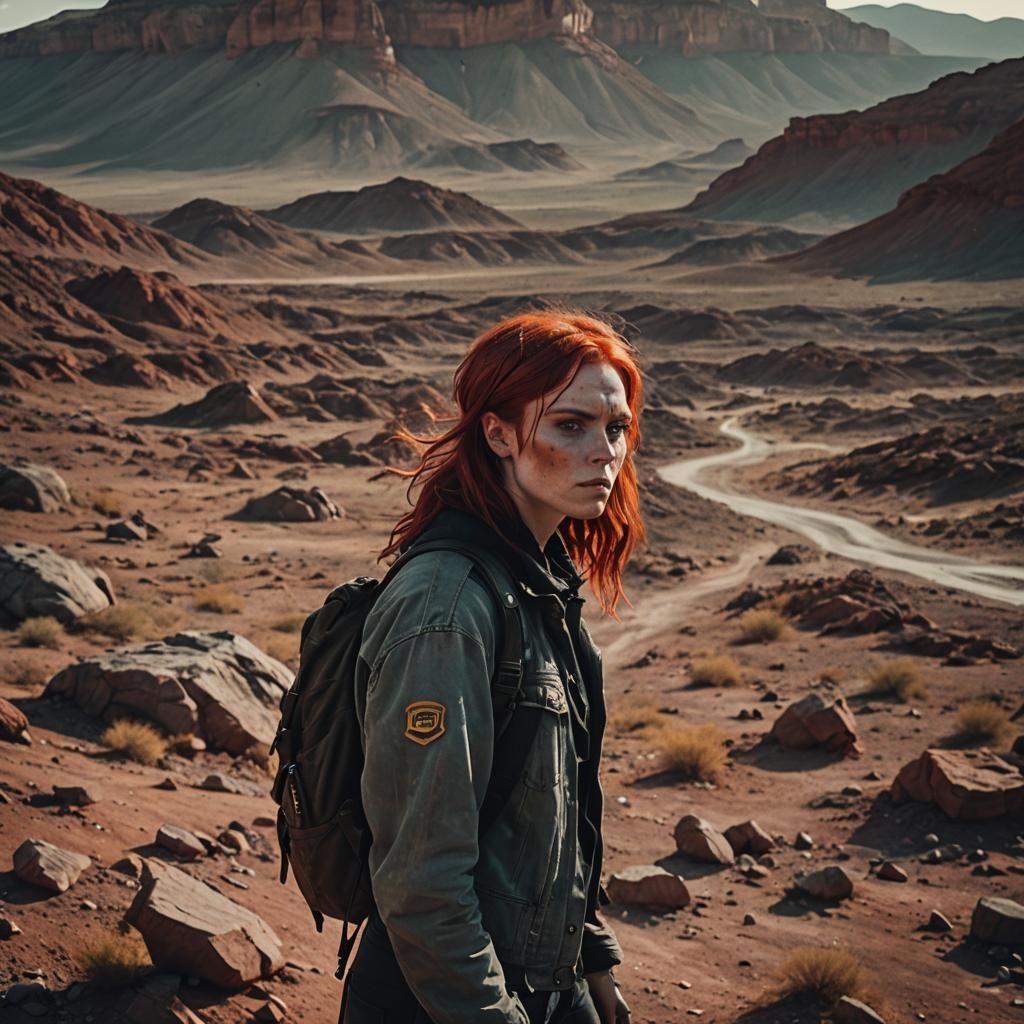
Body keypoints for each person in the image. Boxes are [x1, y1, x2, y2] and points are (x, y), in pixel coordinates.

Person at [344, 311, 643, 1024]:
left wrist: (589, 962)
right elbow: (423, 886)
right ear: (500, 433)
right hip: (445, 1003)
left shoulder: (537, 583)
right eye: (570, 426)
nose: (604, 452)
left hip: (541, 984)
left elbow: (540, 817)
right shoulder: (445, 612)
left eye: (617, 428)